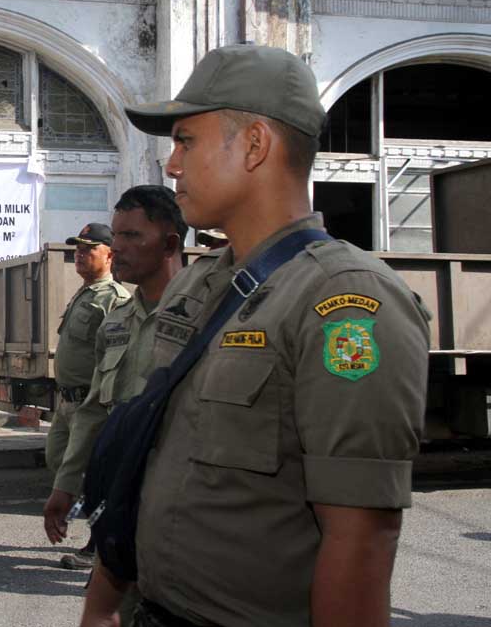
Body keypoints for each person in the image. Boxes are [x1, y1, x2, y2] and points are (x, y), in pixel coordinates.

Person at [80, 44, 430, 627]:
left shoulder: (344, 303)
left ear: (255, 144)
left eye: (186, 141)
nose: (171, 165)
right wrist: (102, 602)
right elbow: (148, 457)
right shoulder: (200, 285)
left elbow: (360, 539)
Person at [43, 187, 186, 553]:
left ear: (169, 245)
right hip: (124, 500)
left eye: (131, 235)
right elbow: (94, 408)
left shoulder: (204, 317)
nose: (118, 247)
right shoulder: (118, 321)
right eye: (117, 235)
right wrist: (66, 486)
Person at [48, 222, 130, 569]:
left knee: (96, 477)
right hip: (66, 403)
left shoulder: (115, 299)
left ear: (110, 254)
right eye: (77, 249)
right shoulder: (85, 293)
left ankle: (100, 546)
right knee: (59, 464)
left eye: (88, 248)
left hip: (90, 404)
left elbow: (115, 361)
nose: (79, 254)